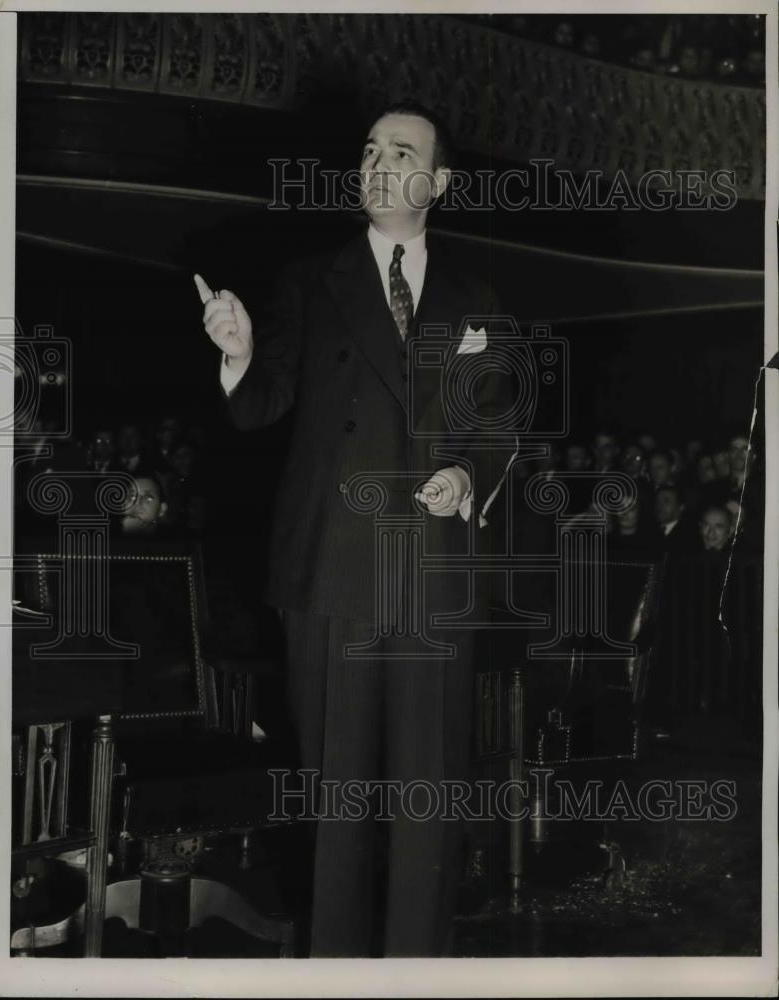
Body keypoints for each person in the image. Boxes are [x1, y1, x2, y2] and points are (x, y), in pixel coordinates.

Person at [195, 101, 512, 957]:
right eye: (368, 148)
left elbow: (496, 430)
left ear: (437, 182)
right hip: (330, 573)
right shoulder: (309, 280)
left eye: (399, 150)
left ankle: (418, 967)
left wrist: (464, 476)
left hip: (432, 580)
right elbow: (262, 405)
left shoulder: (476, 298)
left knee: (428, 797)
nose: (376, 161)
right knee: (334, 800)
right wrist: (236, 351)